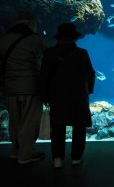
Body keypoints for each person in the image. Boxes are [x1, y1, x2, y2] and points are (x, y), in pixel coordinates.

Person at [40, 22, 95, 168]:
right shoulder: (81, 53)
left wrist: (45, 96)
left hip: (56, 95)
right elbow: (90, 74)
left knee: (57, 125)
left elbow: (44, 76)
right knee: (79, 125)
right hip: (78, 95)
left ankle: (57, 158)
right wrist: (88, 90)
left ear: (59, 38)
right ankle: (76, 157)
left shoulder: (49, 53)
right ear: (74, 38)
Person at [0, 11, 46, 164]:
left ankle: (15, 150)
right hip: (30, 87)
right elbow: (47, 57)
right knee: (29, 121)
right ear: (30, 23)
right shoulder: (35, 39)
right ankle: (25, 154)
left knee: (15, 120)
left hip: (10, 87)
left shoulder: (3, 40)